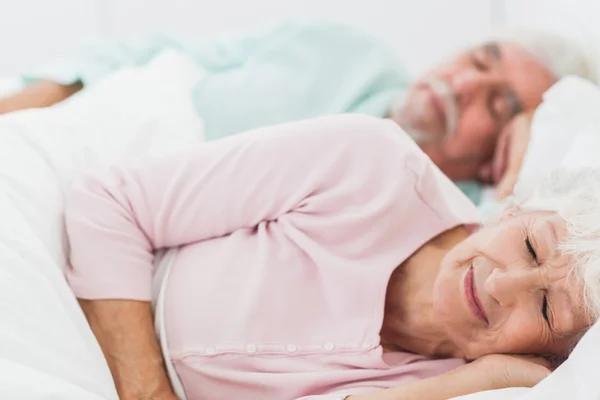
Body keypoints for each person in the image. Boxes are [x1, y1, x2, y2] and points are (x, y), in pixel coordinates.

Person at [65, 115, 598, 400]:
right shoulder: (373, 163)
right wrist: (144, 392)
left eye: (548, 308)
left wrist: (474, 384)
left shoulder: (467, 386)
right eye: (530, 245)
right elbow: (110, 204)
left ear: (555, 355)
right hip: (83, 296)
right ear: (516, 211)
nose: (503, 284)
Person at [1, 21, 597, 200]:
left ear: (504, 151)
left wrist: (517, 181)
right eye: (480, 59)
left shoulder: (452, 219)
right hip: (63, 140)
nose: (461, 83)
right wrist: (21, 107)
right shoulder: (346, 49)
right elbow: (144, 54)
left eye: (499, 106)